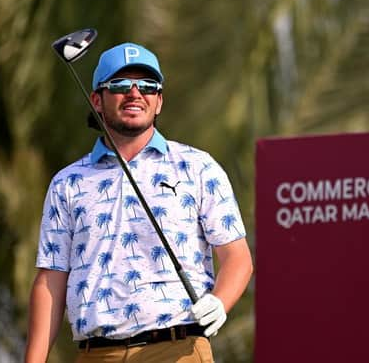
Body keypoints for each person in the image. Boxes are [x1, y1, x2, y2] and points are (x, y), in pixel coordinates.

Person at [25, 42, 253, 363]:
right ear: (97, 100)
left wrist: (219, 301)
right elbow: (51, 279)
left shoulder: (198, 166)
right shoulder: (67, 182)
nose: (135, 93)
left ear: (158, 102)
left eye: (147, 86)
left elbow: (237, 258)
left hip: (177, 348)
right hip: (96, 354)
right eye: (119, 85)